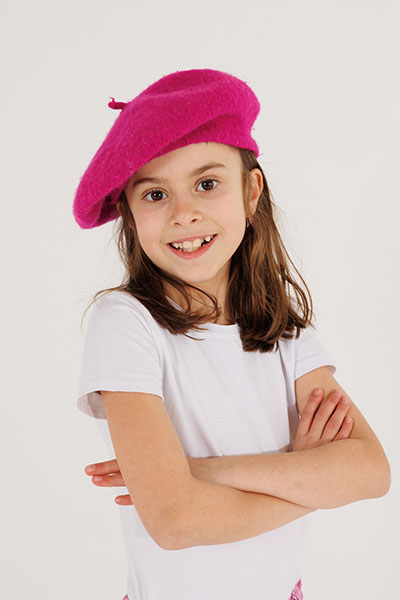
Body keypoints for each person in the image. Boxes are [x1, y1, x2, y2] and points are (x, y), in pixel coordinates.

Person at [73, 68, 391, 600]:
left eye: (206, 184)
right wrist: (309, 478)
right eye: (155, 194)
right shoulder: (126, 321)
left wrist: (196, 472)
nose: (184, 214)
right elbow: (175, 521)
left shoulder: (285, 331)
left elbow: (370, 472)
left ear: (251, 191)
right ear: (128, 212)